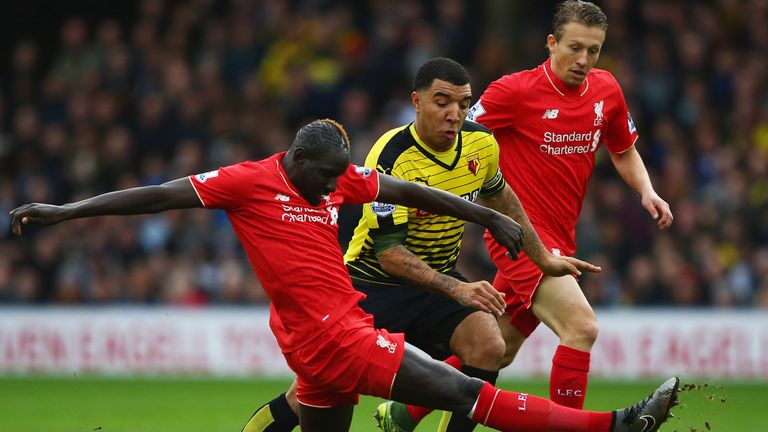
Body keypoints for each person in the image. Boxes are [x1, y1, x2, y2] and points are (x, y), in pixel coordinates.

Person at [10, 119, 678, 432]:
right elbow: (155, 195)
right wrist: (64, 211)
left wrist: (486, 214)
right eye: (326, 177)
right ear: (295, 158)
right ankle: (617, 428)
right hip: (335, 336)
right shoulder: (248, 183)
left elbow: (408, 191)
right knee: (467, 392)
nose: (336, 188)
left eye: (339, 178)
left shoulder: (333, 179)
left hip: (321, 336)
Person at [244, 58, 600, 432]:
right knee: (306, 395)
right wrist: (459, 289)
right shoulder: (391, 154)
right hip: (370, 287)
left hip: (437, 281)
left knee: (488, 346)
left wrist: (542, 257)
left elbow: (501, 195)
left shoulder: (481, 143)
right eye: (442, 101)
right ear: (416, 101)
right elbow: (390, 255)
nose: (454, 114)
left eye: (463, 104)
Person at [387, 1, 675, 430]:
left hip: (562, 238)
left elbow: (623, 148)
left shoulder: (606, 91)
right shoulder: (514, 91)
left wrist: (648, 190)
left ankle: (403, 411)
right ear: (551, 42)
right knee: (581, 327)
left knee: (497, 347)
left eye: (594, 51)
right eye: (575, 47)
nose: (583, 60)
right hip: (519, 237)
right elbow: (458, 134)